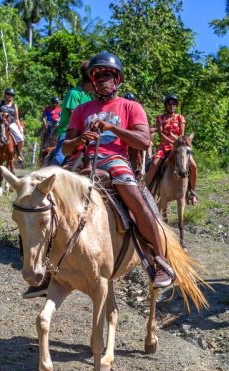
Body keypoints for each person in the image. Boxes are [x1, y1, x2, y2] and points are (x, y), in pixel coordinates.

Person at [23, 51, 175, 298]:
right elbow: (67, 147)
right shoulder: (81, 109)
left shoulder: (130, 106)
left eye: (108, 75)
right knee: (43, 200)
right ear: (92, 80)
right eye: (98, 75)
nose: (103, 79)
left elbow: (145, 141)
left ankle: (160, 261)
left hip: (114, 159)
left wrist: (112, 127)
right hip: (81, 162)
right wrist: (81, 139)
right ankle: (45, 270)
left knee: (132, 195)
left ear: (117, 79)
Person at [145, 93, 198, 205]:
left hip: (179, 147)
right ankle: (146, 190)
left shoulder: (180, 117)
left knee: (193, 166)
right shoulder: (160, 117)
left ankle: (192, 192)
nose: (172, 105)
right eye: (169, 103)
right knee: (154, 164)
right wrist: (170, 141)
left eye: (174, 103)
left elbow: (182, 134)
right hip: (164, 147)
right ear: (166, 105)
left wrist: (177, 143)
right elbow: (160, 133)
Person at [48, 61, 94, 166]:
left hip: (84, 133)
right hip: (68, 132)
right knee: (60, 158)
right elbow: (74, 115)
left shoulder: (89, 97)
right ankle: (47, 176)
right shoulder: (74, 93)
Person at [0, 88, 25, 162]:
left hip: (10, 124)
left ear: (13, 96)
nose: (9, 96)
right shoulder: (0, 102)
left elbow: (16, 119)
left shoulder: (14, 105)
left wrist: (20, 128)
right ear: (5, 94)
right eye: (8, 94)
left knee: (21, 139)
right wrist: (1, 114)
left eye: (11, 94)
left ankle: (19, 154)